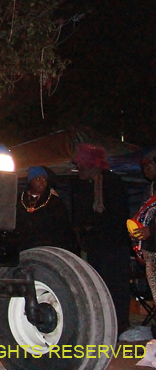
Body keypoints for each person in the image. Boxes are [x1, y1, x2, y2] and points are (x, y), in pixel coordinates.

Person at [71, 143, 130, 335]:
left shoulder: (112, 182)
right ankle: (100, 326)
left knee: (115, 286)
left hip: (114, 246)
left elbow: (118, 215)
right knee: (96, 287)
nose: (79, 169)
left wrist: (95, 223)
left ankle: (119, 326)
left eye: (82, 165)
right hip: (94, 247)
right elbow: (79, 214)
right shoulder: (81, 185)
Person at [15, 166, 74, 252]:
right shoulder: (19, 199)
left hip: (47, 247)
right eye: (38, 179)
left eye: (44, 179)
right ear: (30, 181)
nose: (42, 182)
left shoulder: (54, 202)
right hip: (24, 247)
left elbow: (62, 228)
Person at [130, 157, 156, 301]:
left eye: (149, 166)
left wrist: (151, 231)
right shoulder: (150, 189)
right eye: (143, 166)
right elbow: (142, 216)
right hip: (151, 249)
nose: (145, 170)